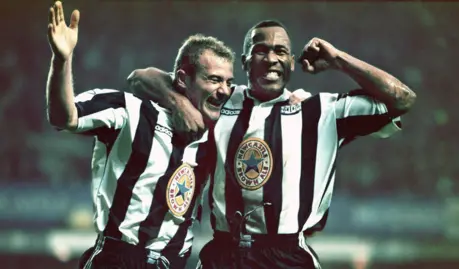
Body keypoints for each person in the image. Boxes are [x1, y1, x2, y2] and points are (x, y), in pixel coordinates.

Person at [127, 20, 417, 269]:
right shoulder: (222, 99)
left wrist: (338, 59)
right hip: (223, 254)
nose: (270, 58)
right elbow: (140, 78)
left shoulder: (321, 111)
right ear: (244, 62)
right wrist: (181, 104)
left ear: (291, 62)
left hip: (287, 256)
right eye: (260, 50)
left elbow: (402, 99)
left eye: (280, 51)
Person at [45, 1, 236, 268]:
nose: (225, 90)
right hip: (118, 258)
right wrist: (62, 59)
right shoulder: (131, 111)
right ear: (182, 79)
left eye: (229, 82)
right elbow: (64, 117)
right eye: (214, 79)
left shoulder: (219, 132)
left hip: (174, 262)